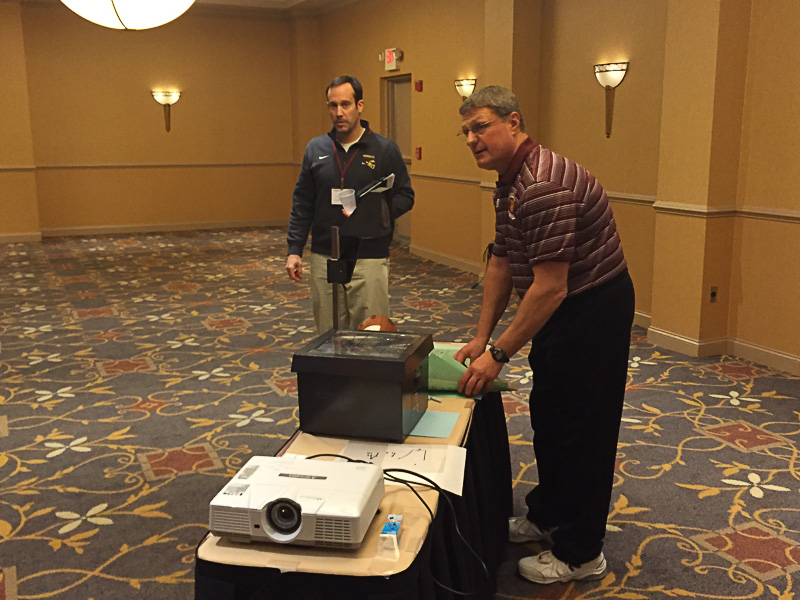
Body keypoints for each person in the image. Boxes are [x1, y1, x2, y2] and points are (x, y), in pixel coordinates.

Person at [453, 86, 634, 585]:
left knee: (584, 431)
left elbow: (549, 288)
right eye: (466, 131)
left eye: (481, 126)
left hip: (592, 308)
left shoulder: (542, 186)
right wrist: (481, 336)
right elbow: (503, 261)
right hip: (561, 304)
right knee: (551, 416)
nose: (472, 138)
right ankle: (548, 512)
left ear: (514, 122)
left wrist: (498, 355)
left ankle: (581, 552)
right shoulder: (508, 181)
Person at [286, 75, 414, 333]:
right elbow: (303, 202)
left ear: (360, 105)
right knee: (328, 332)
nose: (339, 112)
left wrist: (378, 212)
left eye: (345, 105)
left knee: (371, 334)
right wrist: (294, 249)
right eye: (333, 106)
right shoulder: (316, 149)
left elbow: (405, 195)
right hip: (325, 253)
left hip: (369, 255)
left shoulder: (384, 150)